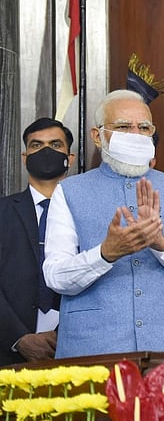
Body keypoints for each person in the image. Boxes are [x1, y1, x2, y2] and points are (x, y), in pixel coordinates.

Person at [43, 89, 164, 358]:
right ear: (98, 136)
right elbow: (55, 275)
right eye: (124, 127)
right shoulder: (69, 191)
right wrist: (105, 254)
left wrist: (163, 245)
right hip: (94, 347)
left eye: (144, 127)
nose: (135, 135)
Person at [0, 118, 74, 365]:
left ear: (70, 158)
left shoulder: (87, 214)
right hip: (8, 355)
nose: (45, 151)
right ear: (24, 157)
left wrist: (64, 335)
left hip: (77, 349)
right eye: (36, 145)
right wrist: (19, 338)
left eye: (55, 145)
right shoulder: (3, 212)